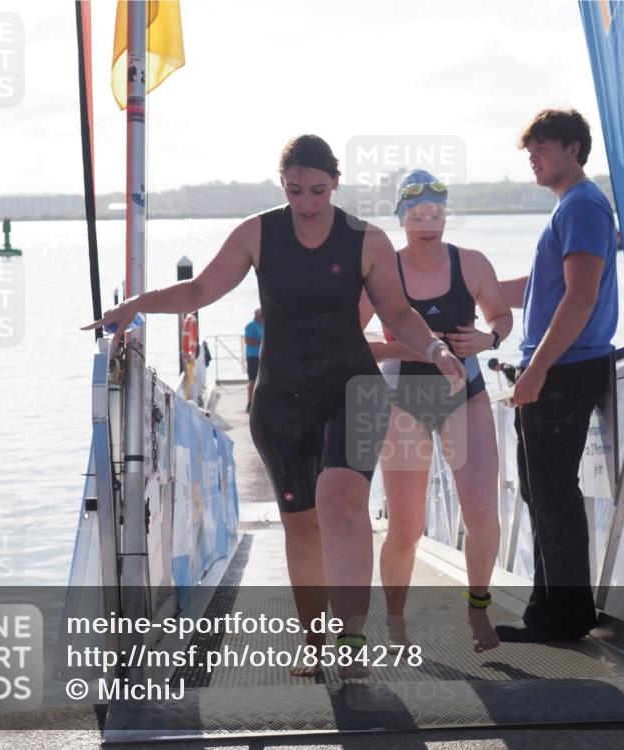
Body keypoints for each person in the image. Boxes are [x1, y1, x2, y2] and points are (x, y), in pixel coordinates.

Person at [83, 135, 465, 676]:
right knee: (302, 526)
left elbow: (398, 312)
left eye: (316, 190)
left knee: (343, 497)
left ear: (335, 183)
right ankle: (315, 645)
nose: (306, 202)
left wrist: (434, 348)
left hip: (353, 387)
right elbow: (199, 294)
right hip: (281, 400)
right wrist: (133, 306)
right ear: (281, 184)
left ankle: (353, 640)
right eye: (294, 190)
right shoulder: (257, 233)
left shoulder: (368, 240)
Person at [359, 169, 512, 652]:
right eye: (418, 214)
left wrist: (491, 339)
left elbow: (501, 315)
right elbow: (349, 343)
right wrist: (401, 351)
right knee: (406, 527)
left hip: (464, 394)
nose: (429, 222)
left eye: (438, 213)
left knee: (483, 512)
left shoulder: (471, 264)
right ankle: (397, 621)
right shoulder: (384, 272)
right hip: (406, 400)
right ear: (401, 217)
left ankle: (479, 608)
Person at [495, 109, 619, 643]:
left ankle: (563, 618)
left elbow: (581, 294)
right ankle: (549, 613)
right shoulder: (572, 208)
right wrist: (474, 291)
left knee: (552, 491)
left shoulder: (585, 205)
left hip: (565, 368)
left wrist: (537, 369)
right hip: (560, 366)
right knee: (539, 489)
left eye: (541, 148)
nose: (533, 158)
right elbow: (541, 287)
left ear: (573, 148)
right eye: (530, 151)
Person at [244, 308, 264, 411]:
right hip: (253, 356)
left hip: (262, 357)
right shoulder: (251, 326)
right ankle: (250, 403)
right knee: (253, 380)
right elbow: (247, 340)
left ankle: (261, 403)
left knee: (262, 380)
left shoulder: (264, 326)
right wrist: (262, 343)